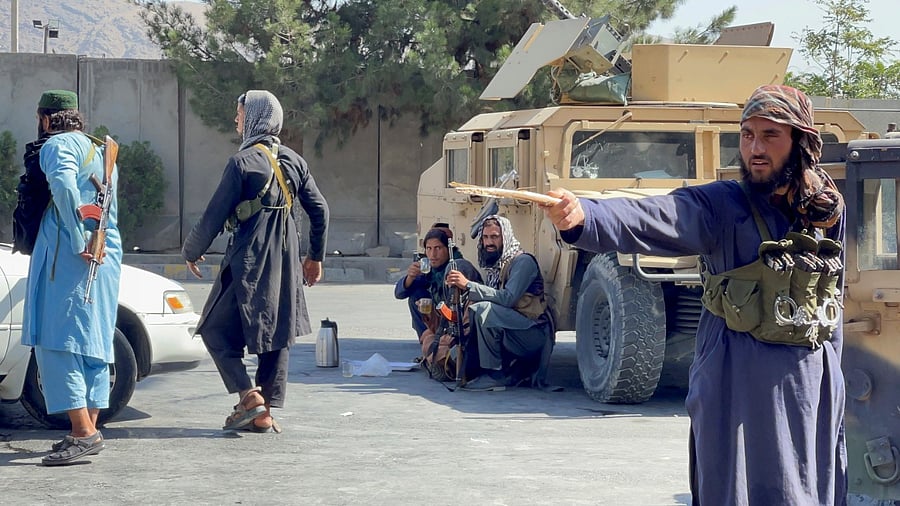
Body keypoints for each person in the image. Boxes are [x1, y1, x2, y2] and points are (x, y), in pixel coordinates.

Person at [543, 84, 847, 504]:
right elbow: (656, 215)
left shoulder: (826, 210)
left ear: (800, 142)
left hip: (807, 384)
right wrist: (585, 216)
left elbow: (834, 299)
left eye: (770, 135)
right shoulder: (722, 205)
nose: (755, 148)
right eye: (747, 135)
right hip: (733, 380)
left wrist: (832, 377)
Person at [182, 90, 329, 433]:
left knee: (215, 328)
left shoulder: (242, 162)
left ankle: (249, 397)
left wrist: (192, 249)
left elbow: (213, 215)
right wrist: (315, 257)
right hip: (287, 258)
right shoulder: (294, 160)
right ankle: (264, 414)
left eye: (240, 114)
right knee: (276, 332)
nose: (236, 120)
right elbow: (320, 209)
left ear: (255, 118)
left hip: (249, 258)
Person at [21, 90, 122, 466]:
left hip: (71, 255)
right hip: (105, 251)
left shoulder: (57, 145)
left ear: (46, 119)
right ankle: (86, 431)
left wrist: (76, 235)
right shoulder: (99, 150)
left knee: (56, 341)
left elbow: (62, 185)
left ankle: (83, 432)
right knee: (92, 344)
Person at [445, 215, 554, 391]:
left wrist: (469, 285)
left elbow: (507, 298)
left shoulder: (522, 262)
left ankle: (494, 374)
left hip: (533, 333)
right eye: (486, 237)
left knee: (483, 309)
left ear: (505, 237)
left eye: (495, 237)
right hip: (514, 328)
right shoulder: (498, 265)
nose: (489, 243)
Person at [394, 224, 481, 340]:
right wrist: (410, 277)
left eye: (438, 248)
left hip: (462, 323)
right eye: (429, 249)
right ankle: (428, 343)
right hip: (441, 320)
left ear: (448, 250)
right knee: (416, 296)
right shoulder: (429, 269)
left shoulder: (458, 266)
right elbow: (399, 294)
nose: (433, 254)